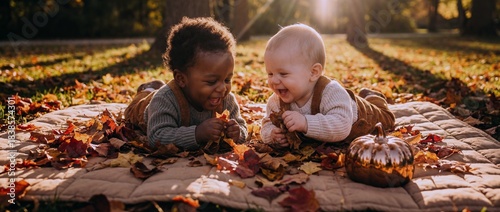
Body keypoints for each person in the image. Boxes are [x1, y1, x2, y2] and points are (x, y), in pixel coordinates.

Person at [260, 24, 395, 148]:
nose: (275, 81)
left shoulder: (330, 92)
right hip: (341, 109)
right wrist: (272, 134)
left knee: (387, 120)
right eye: (270, 73)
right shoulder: (276, 102)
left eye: (283, 74)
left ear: (313, 73)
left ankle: (373, 97)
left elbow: (342, 126)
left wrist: (306, 123)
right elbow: (266, 124)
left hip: (362, 117)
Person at [127, 17, 247, 151]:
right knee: (133, 110)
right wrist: (197, 134)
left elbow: (242, 126)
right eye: (212, 81)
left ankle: (155, 86)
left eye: (227, 80)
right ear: (181, 79)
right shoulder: (164, 100)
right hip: (144, 110)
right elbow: (156, 137)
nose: (222, 88)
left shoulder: (226, 100)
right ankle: (147, 90)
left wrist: (237, 133)